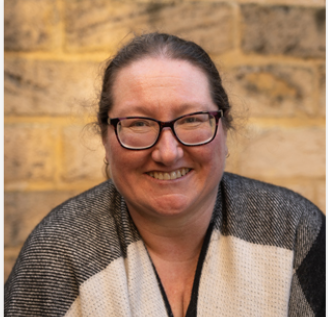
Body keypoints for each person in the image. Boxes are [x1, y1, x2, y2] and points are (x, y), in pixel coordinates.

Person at [4, 33, 325, 317]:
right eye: (139, 124)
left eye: (192, 120)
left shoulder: (294, 231)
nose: (167, 153)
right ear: (105, 138)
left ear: (224, 129)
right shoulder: (58, 252)